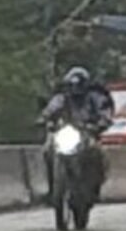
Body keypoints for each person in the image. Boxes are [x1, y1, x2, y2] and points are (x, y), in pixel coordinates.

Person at [37, 66, 114, 201]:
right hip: (66, 132)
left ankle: (95, 187)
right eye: (72, 85)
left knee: (98, 152)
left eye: (78, 85)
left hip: (87, 132)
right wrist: (44, 118)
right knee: (47, 150)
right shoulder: (62, 98)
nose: (75, 89)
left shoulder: (94, 97)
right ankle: (52, 188)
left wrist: (101, 123)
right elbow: (51, 109)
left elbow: (104, 112)